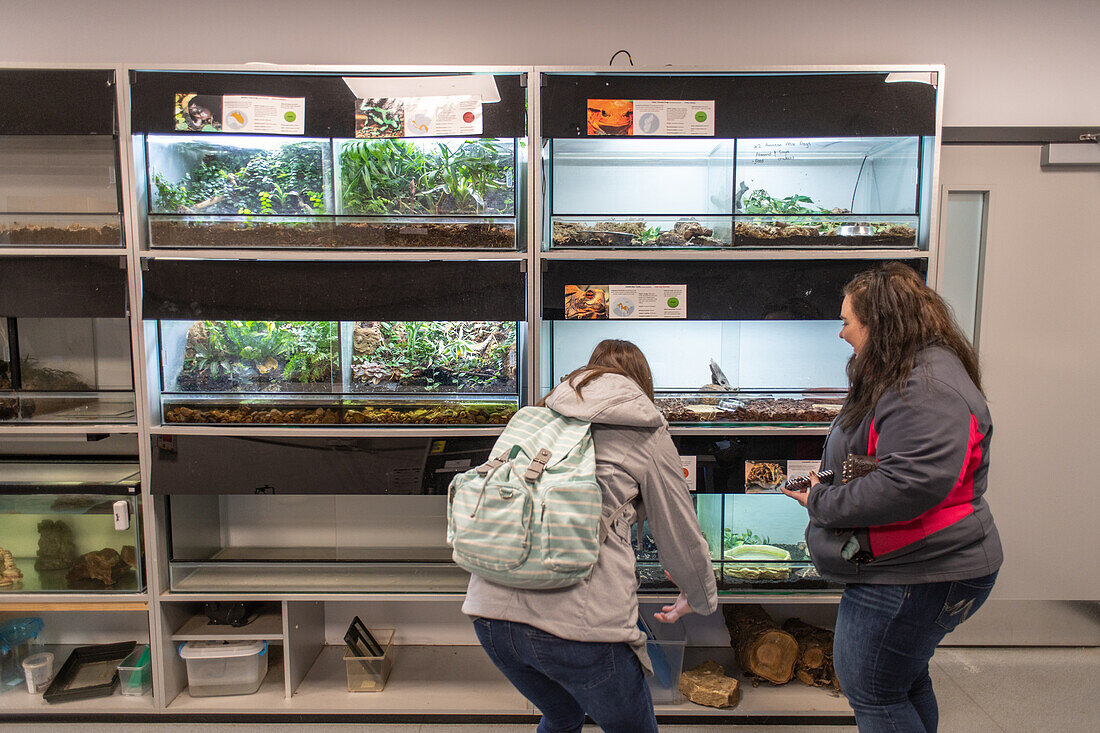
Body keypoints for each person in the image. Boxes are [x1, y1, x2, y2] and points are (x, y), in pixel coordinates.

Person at [781, 263, 1003, 733]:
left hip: (917, 571)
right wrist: (822, 481)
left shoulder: (924, 386)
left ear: (880, 322)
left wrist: (822, 503)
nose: (842, 334)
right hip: (912, 564)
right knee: (900, 683)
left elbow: (909, 484)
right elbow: (872, 456)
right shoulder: (905, 373)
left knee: (875, 692)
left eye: (847, 321)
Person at [463, 339, 718, 733]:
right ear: (641, 384)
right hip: (579, 630)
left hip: (490, 615)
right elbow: (680, 535)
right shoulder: (647, 430)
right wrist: (698, 596)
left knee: (563, 715)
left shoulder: (537, 417)